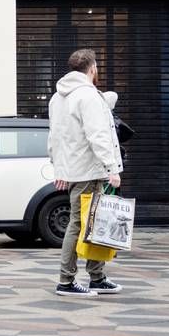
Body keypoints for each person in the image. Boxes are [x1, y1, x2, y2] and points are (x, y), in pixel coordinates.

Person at [48, 49, 124, 296]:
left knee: (94, 222)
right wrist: (112, 167)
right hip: (90, 170)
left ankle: (97, 276)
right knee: (80, 223)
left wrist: (60, 168)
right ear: (92, 69)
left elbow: (55, 138)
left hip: (76, 169)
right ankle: (67, 281)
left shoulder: (57, 97)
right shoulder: (87, 96)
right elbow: (98, 135)